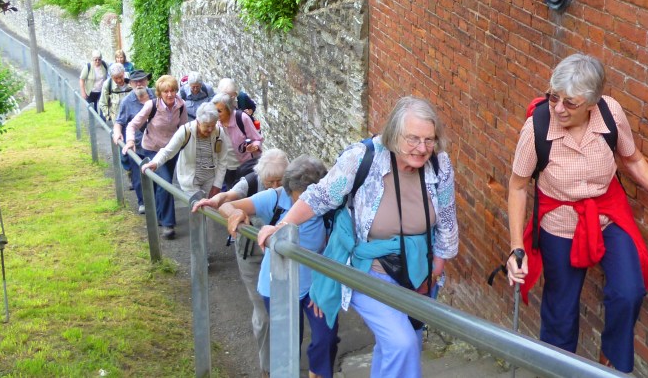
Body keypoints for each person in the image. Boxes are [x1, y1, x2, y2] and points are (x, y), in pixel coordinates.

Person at [505, 53, 648, 372]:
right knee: (561, 312)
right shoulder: (537, 129)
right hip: (560, 221)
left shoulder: (610, 114)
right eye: (554, 97)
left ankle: (610, 364)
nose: (559, 109)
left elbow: (632, 159)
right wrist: (517, 247)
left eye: (570, 103)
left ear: (592, 102)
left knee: (629, 290)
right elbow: (517, 187)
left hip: (606, 212)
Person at [257, 96, 459, 378]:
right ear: (393, 134)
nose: (423, 148)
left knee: (404, 342)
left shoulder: (440, 164)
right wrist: (283, 225)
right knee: (401, 344)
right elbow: (320, 196)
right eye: (413, 139)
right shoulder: (364, 157)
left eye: (429, 139)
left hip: (418, 270)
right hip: (368, 270)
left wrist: (439, 262)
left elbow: (447, 215)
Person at [221, 155, 338, 378]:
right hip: (279, 282)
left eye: (310, 198)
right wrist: (235, 212)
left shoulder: (329, 203)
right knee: (287, 343)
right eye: (299, 198)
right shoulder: (274, 197)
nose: (305, 206)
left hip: (316, 284)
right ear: (289, 189)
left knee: (327, 336)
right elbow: (226, 204)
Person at [192, 149, 289, 378]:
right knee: (264, 313)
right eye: (270, 181)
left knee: (284, 310)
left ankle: (286, 360)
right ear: (261, 177)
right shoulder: (250, 182)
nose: (275, 186)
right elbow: (224, 200)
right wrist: (233, 212)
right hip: (252, 257)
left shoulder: (293, 182)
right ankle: (267, 368)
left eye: (279, 181)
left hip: (282, 256)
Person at [125, 75, 188, 239]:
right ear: (159, 93)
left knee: (159, 185)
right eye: (166, 91)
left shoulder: (181, 106)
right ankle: (168, 224)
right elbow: (132, 124)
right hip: (152, 149)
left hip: (170, 152)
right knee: (166, 183)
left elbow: (183, 129)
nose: (170, 94)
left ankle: (160, 215)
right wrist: (130, 140)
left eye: (173, 90)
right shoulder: (151, 105)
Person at [142, 102, 234, 197]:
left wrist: (217, 185)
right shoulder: (186, 131)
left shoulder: (219, 132)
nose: (210, 130)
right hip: (190, 180)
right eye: (207, 126)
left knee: (210, 209)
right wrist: (155, 162)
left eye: (213, 125)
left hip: (210, 179)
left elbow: (223, 160)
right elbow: (168, 151)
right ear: (198, 122)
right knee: (198, 208)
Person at [113, 70, 155, 214]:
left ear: (147, 81)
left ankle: (157, 204)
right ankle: (142, 202)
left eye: (142, 80)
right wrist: (117, 133)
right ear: (130, 84)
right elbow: (119, 121)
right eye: (135, 82)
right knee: (138, 177)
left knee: (157, 177)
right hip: (136, 146)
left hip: (156, 145)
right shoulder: (127, 102)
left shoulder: (156, 95)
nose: (139, 84)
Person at [213, 92, 263, 190]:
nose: (216, 114)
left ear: (228, 109)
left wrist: (254, 146)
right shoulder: (215, 123)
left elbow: (257, 139)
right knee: (231, 193)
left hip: (245, 166)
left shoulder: (242, 118)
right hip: (227, 169)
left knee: (246, 193)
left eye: (219, 111)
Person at [79, 49, 108, 114]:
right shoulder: (88, 67)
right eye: (95, 59)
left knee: (103, 109)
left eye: (99, 59)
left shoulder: (105, 65)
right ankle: (93, 123)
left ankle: (103, 122)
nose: (97, 61)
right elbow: (82, 79)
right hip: (91, 92)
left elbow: (110, 74)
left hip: (102, 91)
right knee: (92, 111)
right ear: (93, 59)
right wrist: (83, 92)